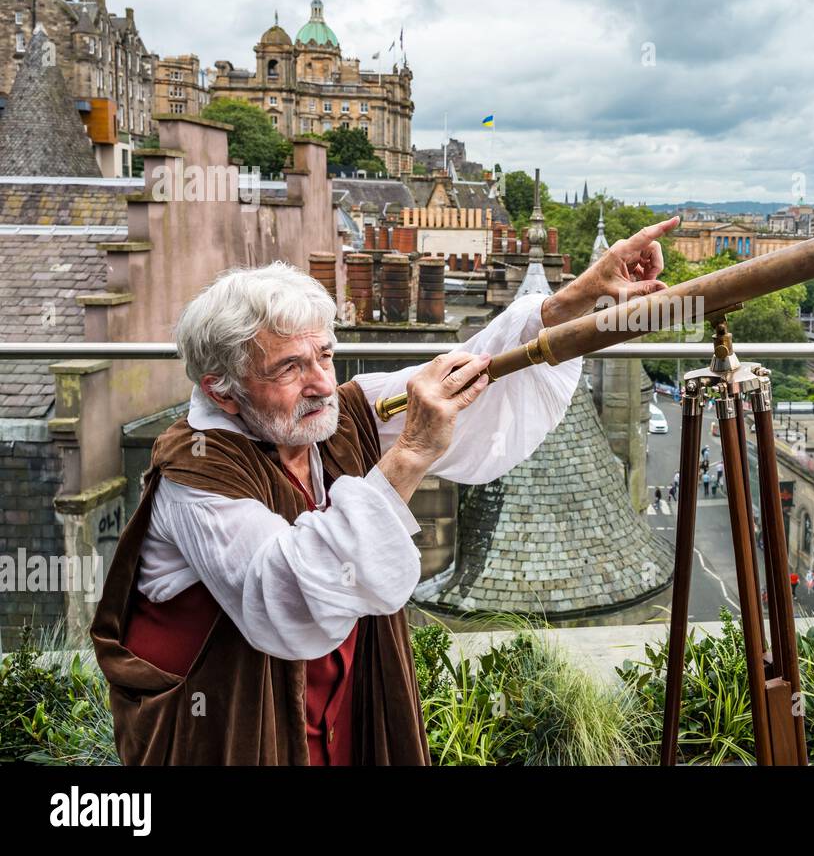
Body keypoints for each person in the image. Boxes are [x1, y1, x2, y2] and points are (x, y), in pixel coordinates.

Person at [91, 219, 680, 766]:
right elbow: (288, 600)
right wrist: (411, 455)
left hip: (337, 715)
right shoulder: (196, 473)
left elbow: (471, 373)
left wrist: (577, 299)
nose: (323, 383)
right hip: (232, 732)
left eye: (325, 353)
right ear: (222, 392)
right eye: (290, 368)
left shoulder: (333, 415)